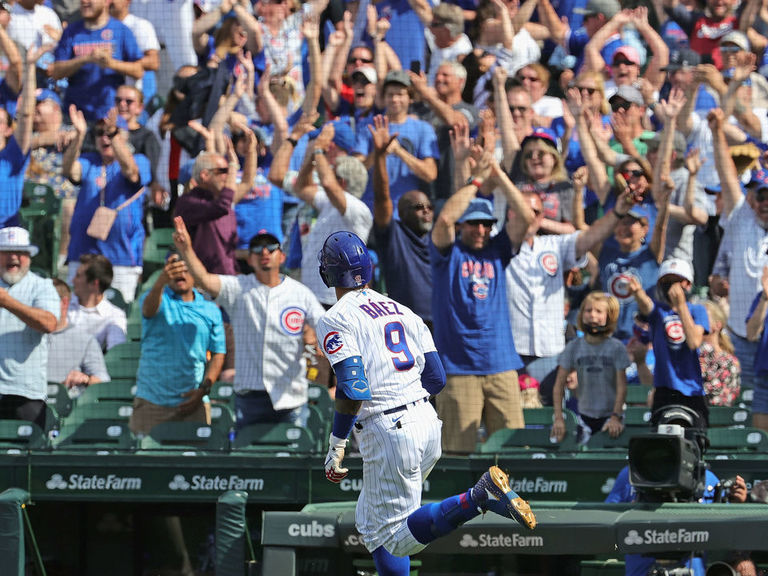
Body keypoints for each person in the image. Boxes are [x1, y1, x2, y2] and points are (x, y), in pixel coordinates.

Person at [316, 230, 536, 576]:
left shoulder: (335, 317)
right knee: (372, 524)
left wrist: (337, 444)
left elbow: (354, 386)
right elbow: (436, 378)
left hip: (389, 430)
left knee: (395, 537)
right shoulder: (403, 310)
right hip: (427, 423)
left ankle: (478, 496)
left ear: (327, 273)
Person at [172, 217, 324, 429]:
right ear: (249, 259)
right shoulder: (237, 287)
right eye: (256, 248)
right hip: (249, 396)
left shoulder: (300, 293)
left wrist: (314, 338)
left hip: (291, 396)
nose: (264, 252)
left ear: (281, 256)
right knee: (250, 459)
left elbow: (324, 326)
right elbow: (204, 279)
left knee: (294, 458)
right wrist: (186, 248)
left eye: (271, 247)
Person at [430, 152, 534, 454]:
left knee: (512, 451)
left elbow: (527, 218)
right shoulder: (447, 253)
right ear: (463, 225)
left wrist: (499, 176)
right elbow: (446, 218)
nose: (481, 230)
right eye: (474, 224)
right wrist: (477, 181)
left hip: (501, 365)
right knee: (457, 453)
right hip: (458, 368)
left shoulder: (498, 250)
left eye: (487, 224)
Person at [605, 405, 748, 576]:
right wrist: (630, 515)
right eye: (668, 435)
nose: (677, 441)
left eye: (684, 435)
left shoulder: (706, 478)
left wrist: (737, 505)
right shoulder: (633, 474)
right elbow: (607, 528)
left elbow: (726, 537)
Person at [129, 251, 226, 436]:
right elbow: (149, 310)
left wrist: (204, 390)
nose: (180, 272)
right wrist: (160, 281)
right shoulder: (155, 298)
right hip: (152, 404)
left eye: (185, 267)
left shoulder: (211, 310)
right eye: (174, 267)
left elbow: (218, 354)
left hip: (193, 405)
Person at [63, 106, 151, 302]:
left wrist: (114, 136)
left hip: (121, 259)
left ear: (124, 137)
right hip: (83, 256)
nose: (105, 138)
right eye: (100, 133)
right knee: (77, 315)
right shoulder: (90, 161)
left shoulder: (139, 159)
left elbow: (131, 172)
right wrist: (79, 136)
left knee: (118, 317)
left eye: (111, 132)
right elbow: (70, 170)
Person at [627, 258, 710, 424]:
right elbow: (646, 305)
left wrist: (680, 306)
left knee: (695, 436)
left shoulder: (697, 310)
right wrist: (637, 292)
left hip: (692, 390)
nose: (671, 286)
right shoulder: (659, 311)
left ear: (687, 284)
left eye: (676, 281)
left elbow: (694, 342)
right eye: (666, 282)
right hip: (664, 390)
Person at [370, 115, 433, 326]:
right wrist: (380, 157)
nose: (426, 212)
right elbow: (381, 197)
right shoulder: (393, 236)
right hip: (405, 326)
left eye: (429, 207)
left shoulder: (437, 239)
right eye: (418, 207)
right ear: (402, 213)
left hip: (441, 327)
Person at [551, 291, 630, 444]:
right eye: (588, 310)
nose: (592, 315)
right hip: (583, 417)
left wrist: (616, 416)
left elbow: (622, 387)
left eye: (599, 311)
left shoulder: (616, 348)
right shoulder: (574, 347)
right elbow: (558, 385)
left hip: (610, 418)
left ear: (609, 315)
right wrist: (559, 418)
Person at [0, 227, 59, 428]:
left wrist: (7, 302)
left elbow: (49, 323)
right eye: (7, 252)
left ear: (29, 257)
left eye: (20, 252)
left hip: (25, 391)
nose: (14, 257)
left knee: (28, 456)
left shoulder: (42, 286)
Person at [50, 0, 144, 123]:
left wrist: (111, 63)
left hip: (110, 115)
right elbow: (56, 72)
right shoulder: (71, 31)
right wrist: (85, 59)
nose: (84, 2)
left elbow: (138, 71)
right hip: (75, 114)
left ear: (106, 1)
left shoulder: (121, 30)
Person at [173, 148, 239, 276]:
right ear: (205, 175)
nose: (228, 176)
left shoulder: (221, 200)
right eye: (224, 171)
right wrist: (233, 166)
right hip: (202, 282)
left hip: (229, 279)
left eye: (229, 172)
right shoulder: (187, 202)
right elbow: (222, 206)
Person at [47, 278, 109, 394]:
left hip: (68, 407)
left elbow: (103, 382)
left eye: (44, 302)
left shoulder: (84, 340)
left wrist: (86, 379)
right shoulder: (23, 337)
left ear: (64, 303)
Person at [68, 254, 127, 352]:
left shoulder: (115, 316)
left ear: (94, 284)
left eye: (78, 276)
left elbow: (116, 351)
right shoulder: (63, 305)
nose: (72, 280)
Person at [700, 299, 741, 407]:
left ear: (717, 325)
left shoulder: (728, 361)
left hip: (716, 418)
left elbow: (722, 399)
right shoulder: (687, 356)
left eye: (702, 318)